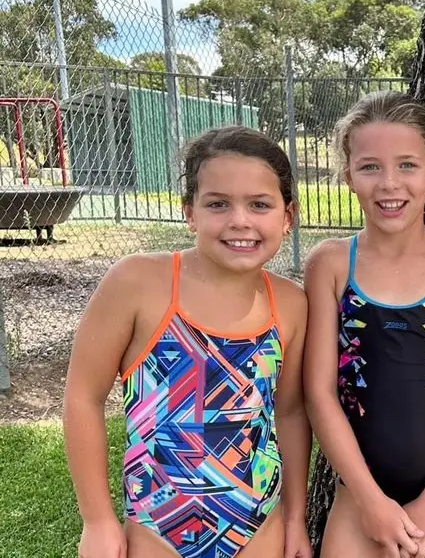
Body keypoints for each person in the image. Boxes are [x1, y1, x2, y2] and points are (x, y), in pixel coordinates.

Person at [64, 126, 313, 558]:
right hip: (157, 526)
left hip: (261, 523)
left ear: (287, 216)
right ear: (190, 212)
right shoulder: (139, 282)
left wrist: (294, 518)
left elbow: (290, 412)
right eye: (218, 204)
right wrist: (98, 520)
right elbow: (83, 396)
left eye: (260, 204)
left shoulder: (290, 303)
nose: (240, 220)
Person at [303, 90, 425, 558]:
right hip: (359, 496)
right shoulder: (331, 265)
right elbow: (319, 394)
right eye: (370, 167)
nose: (389, 184)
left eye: (407, 165)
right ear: (348, 175)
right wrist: (371, 501)